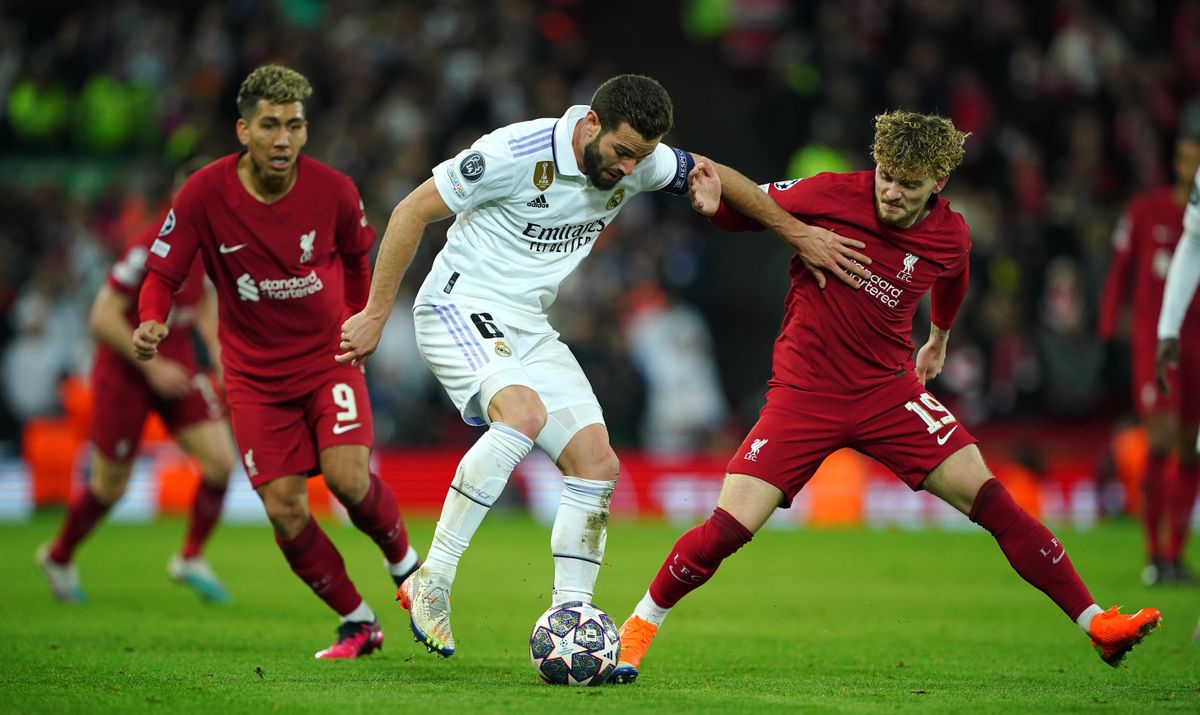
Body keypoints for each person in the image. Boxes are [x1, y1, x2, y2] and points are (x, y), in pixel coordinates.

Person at [612, 110, 1161, 683]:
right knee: (729, 528)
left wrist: (939, 338)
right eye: (886, 176)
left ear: (938, 185)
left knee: (995, 501)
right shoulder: (831, 193)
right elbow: (749, 204)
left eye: (909, 184)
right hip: (805, 393)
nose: (893, 192)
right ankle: (639, 627)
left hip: (888, 392)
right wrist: (715, 210)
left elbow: (955, 275)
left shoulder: (950, 234)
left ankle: (1096, 623)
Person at [337, 73, 870, 658]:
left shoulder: (641, 160)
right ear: (591, 123)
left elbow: (720, 175)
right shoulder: (514, 152)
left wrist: (797, 234)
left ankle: (572, 615)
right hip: (458, 306)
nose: (628, 169)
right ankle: (432, 578)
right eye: (621, 153)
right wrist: (375, 312)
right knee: (522, 415)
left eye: (641, 158)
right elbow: (412, 210)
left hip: (529, 325)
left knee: (596, 462)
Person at [132, 65, 418, 659]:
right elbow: (162, 271)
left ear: (305, 132)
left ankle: (409, 569)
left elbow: (359, 261)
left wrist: (362, 321)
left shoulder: (335, 191)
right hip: (254, 378)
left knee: (346, 478)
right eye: (270, 125)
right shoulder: (204, 194)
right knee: (285, 510)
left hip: (327, 359)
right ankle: (358, 622)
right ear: (244, 130)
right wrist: (152, 318)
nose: (283, 138)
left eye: (294, 125)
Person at [36, 161, 235, 604]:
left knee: (221, 462)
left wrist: (220, 359)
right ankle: (59, 554)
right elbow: (102, 315)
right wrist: (152, 366)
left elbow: (203, 304)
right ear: (178, 197)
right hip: (127, 370)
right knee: (110, 485)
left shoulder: (210, 246)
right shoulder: (147, 246)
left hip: (179, 366)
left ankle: (190, 556)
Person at [1099, 110, 1200, 585]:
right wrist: (1107, 327)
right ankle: (1153, 553)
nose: (1188, 165)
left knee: (1190, 448)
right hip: (1156, 338)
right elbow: (1120, 270)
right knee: (1159, 441)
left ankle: (1177, 556)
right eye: (1183, 156)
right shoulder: (1144, 210)